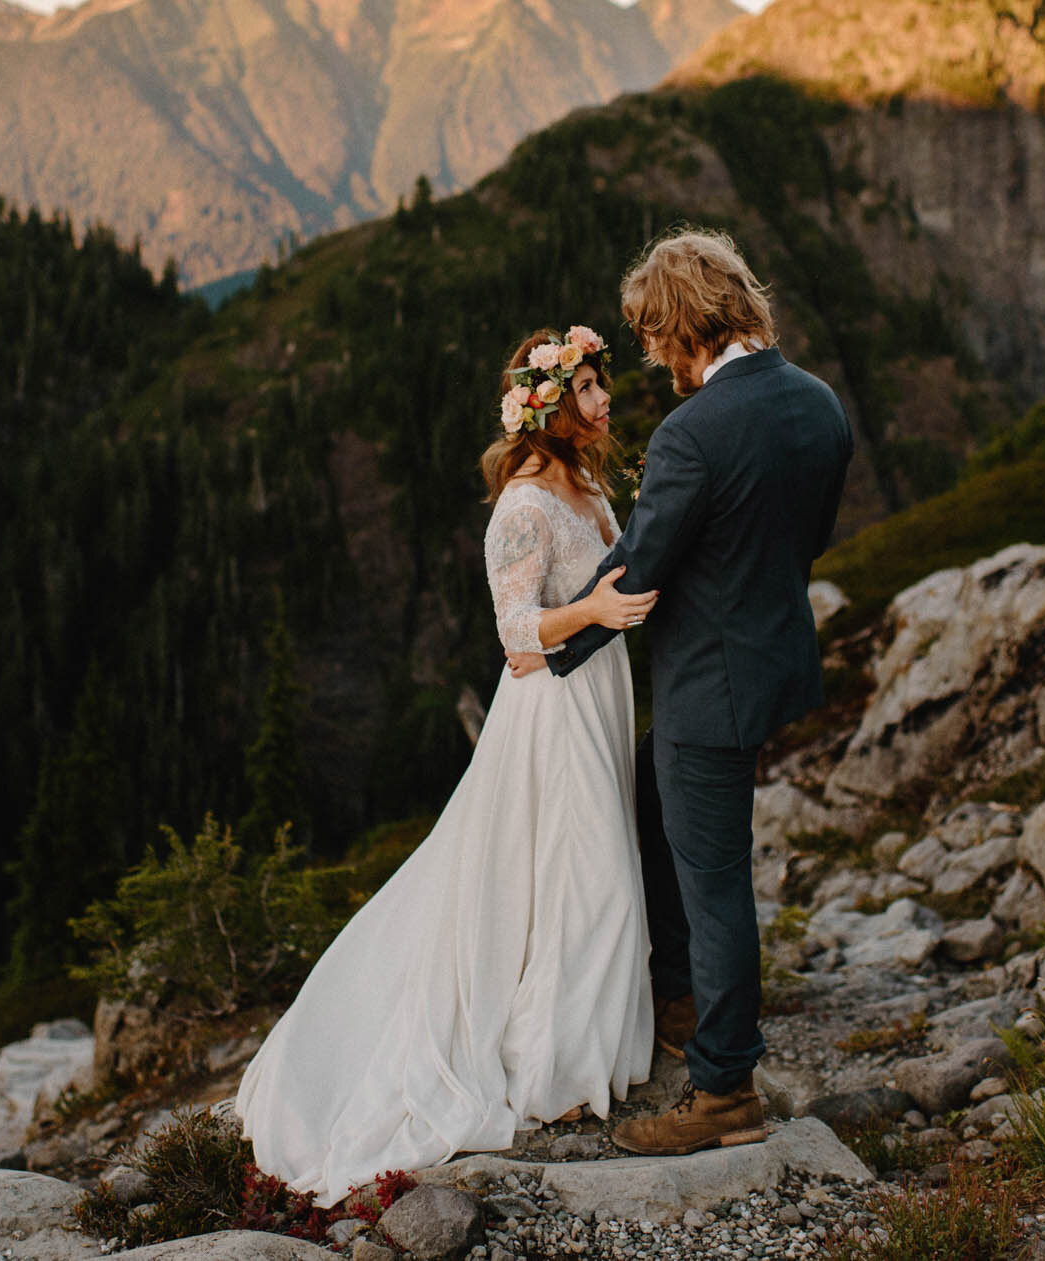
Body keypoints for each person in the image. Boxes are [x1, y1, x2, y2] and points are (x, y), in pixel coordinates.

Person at [234, 325, 659, 1206]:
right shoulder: (523, 507)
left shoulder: (587, 485)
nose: (604, 398)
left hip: (602, 694)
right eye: (586, 386)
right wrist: (594, 610)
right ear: (546, 408)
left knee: (578, 878)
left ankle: (587, 1046)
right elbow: (514, 639)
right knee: (596, 880)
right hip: (554, 712)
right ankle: (556, 1066)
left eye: (599, 383)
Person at [525, 227, 853, 1157]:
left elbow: (635, 573)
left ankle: (723, 1088)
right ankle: (678, 997)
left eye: (651, 336)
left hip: (708, 684)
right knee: (650, 806)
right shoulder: (819, 403)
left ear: (681, 328)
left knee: (715, 883)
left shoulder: (693, 433)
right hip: (769, 663)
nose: (649, 355)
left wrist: (542, 648)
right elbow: (808, 535)